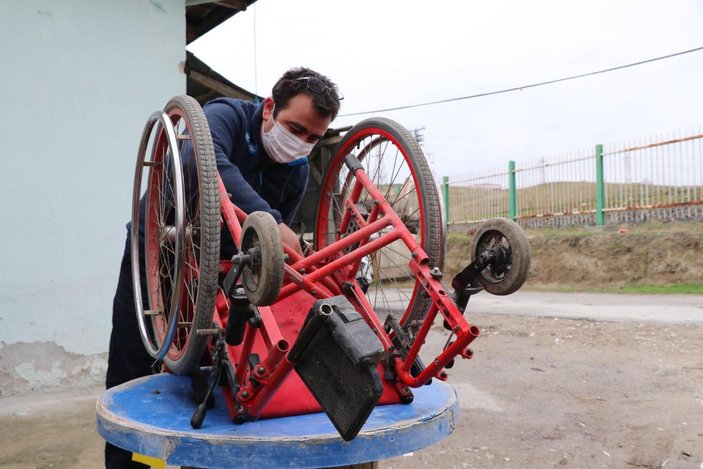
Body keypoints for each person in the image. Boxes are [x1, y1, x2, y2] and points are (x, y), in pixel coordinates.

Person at [105, 67, 342, 468]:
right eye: (295, 128)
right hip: (161, 250)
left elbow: (263, 242)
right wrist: (271, 220)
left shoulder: (297, 170)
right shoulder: (224, 116)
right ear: (268, 108)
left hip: (219, 270)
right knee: (134, 371)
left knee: (209, 379)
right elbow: (205, 163)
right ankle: (126, 463)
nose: (300, 144)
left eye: (312, 138)